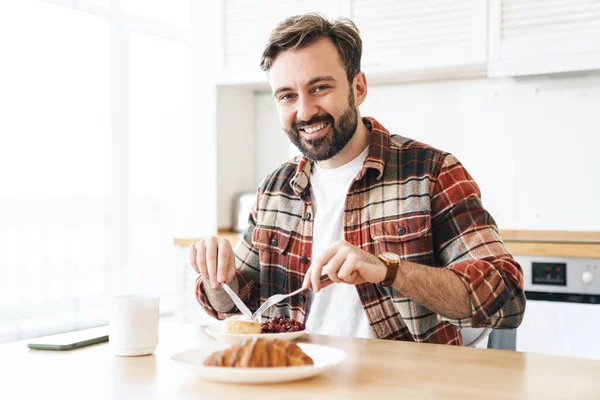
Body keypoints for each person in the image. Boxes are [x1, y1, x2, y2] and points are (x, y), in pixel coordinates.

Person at [189, 13, 525, 344]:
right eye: (287, 95)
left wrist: (389, 270)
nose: (304, 112)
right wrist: (219, 279)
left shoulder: (431, 173)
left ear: (358, 87)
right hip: (294, 378)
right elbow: (241, 303)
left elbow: (506, 296)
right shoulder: (275, 190)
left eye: (320, 88)